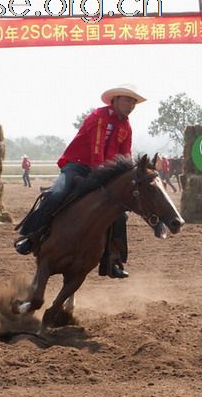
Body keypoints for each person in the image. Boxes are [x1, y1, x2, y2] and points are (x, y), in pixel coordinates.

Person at [15, 84, 146, 279]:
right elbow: (96, 148)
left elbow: (125, 156)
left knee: (119, 214)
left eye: (133, 102)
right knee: (58, 193)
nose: (131, 105)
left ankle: (113, 260)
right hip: (77, 165)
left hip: (103, 172)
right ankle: (30, 235)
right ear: (115, 100)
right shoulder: (99, 117)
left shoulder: (126, 126)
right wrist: (102, 174)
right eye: (127, 100)